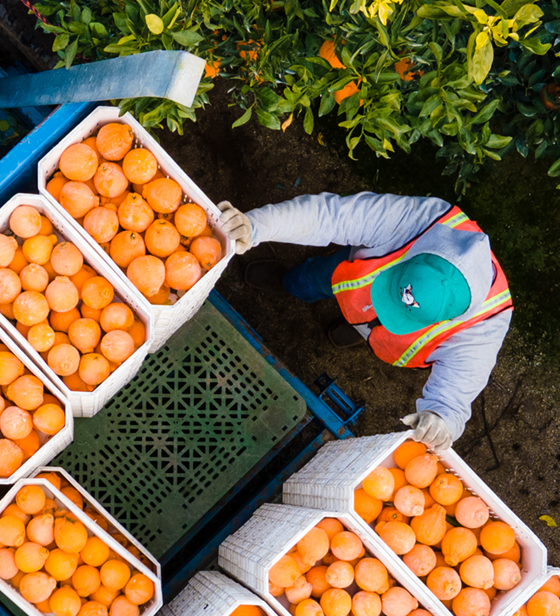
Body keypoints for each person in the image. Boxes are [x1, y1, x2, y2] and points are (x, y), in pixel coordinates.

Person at [218, 192, 512, 449]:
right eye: (391, 298)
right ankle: (289, 282)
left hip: (388, 340)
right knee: (312, 279)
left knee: (372, 333)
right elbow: (329, 216)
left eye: (401, 314)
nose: (387, 310)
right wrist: (258, 225)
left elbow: (455, 395)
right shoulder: (419, 221)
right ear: (418, 255)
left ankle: (363, 331)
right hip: (348, 279)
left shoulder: (486, 326)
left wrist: (440, 420)